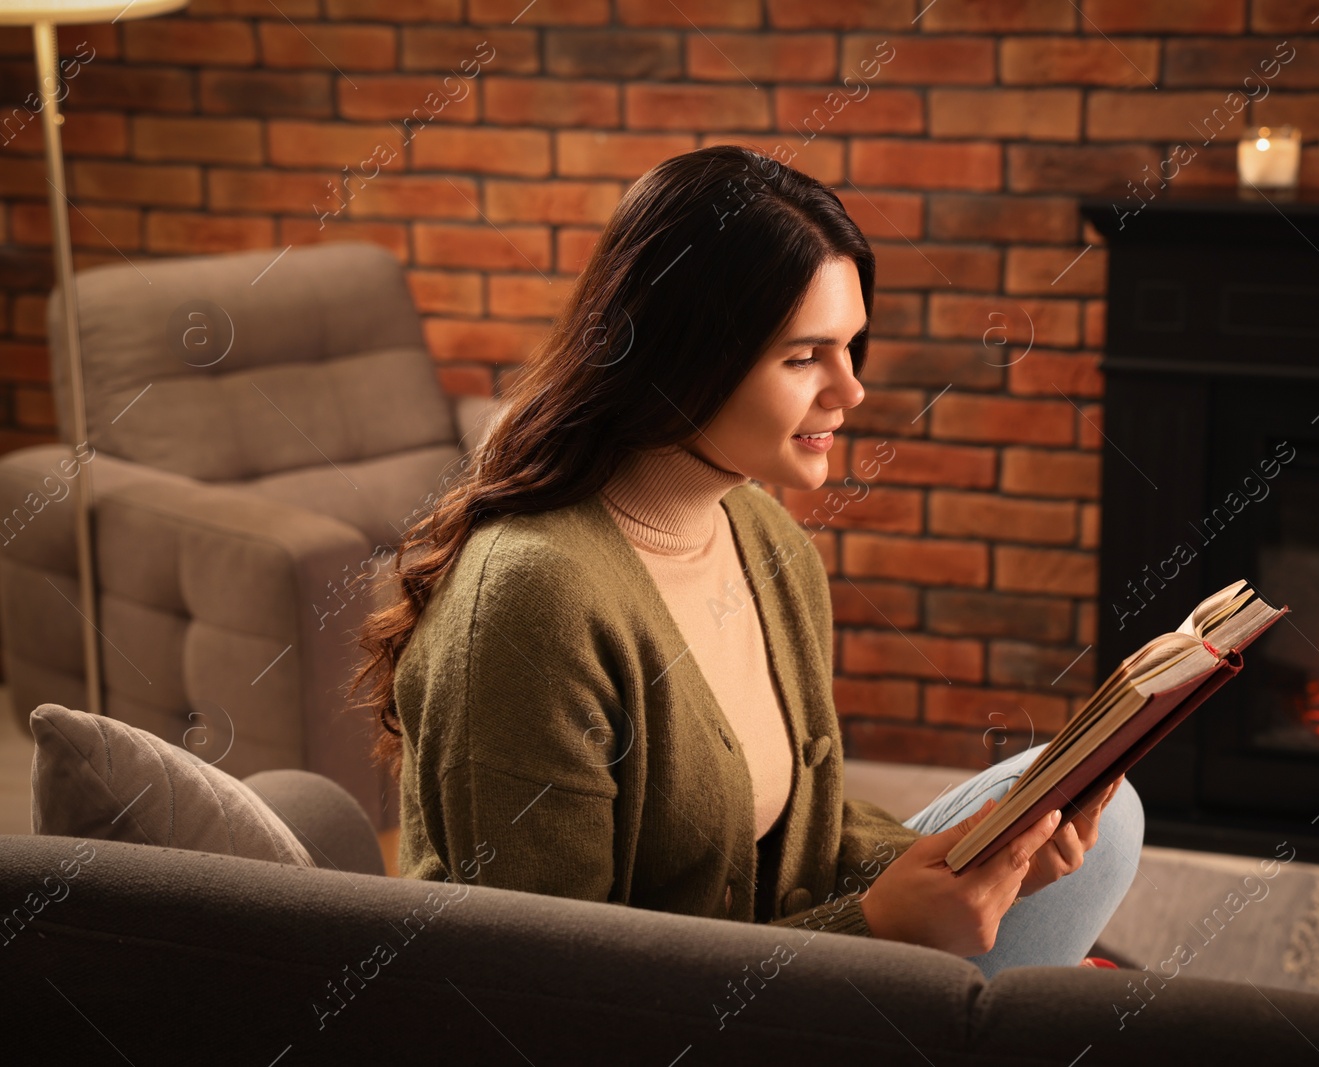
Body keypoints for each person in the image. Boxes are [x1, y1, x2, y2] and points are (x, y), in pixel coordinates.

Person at [347, 144, 1143, 976]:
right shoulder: (533, 597)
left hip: (752, 968)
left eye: (850, 346)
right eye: (803, 357)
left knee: (1101, 823)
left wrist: (968, 862)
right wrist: (876, 928)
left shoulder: (765, 538)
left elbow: (800, 835)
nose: (851, 390)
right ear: (682, 358)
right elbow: (555, 989)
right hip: (639, 1023)